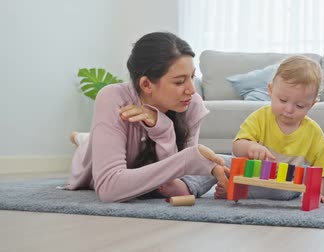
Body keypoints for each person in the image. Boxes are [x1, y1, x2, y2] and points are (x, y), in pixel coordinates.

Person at [66, 32, 229, 202]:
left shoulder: (192, 104)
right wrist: (187, 159)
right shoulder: (113, 98)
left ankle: (84, 137)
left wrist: (163, 129)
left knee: (213, 167)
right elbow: (109, 189)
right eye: (179, 82)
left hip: (136, 155)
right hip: (93, 157)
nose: (192, 90)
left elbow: (176, 178)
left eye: (192, 77)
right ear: (146, 84)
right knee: (90, 144)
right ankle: (82, 139)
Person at [219, 55, 324, 203]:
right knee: (216, 161)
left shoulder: (313, 131)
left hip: (285, 186)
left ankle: (234, 189)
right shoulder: (260, 117)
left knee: (287, 189)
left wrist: (318, 193)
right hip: (253, 174)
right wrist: (251, 146)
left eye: (300, 106)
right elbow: (237, 147)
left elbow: (323, 169)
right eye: (282, 100)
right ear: (270, 90)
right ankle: (191, 186)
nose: (289, 109)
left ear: (312, 104)